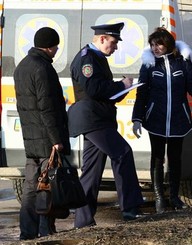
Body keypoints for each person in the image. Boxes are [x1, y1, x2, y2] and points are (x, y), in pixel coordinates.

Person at [68, 22, 144, 228]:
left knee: (92, 170)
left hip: (97, 118)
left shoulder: (97, 58)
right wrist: (122, 85)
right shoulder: (87, 58)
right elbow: (93, 89)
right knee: (122, 152)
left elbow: (103, 91)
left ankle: (83, 221)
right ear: (102, 39)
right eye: (113, 42)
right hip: (93, 119)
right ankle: (130, 208)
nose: (116, 47)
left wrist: (122, 89)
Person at [132, 27, 192, 213]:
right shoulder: (149, 64)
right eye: (152, 45)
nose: (155, 48)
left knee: (176, 158)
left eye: (159, 44)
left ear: (168, 44)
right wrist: (137, 118)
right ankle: (159, 198)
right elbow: (141, 92)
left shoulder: (182, 61)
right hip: (156, 119)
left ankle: (175, 197)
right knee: (157, 157)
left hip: (179, 118)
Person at [14, 27, 71, 240]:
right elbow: (46, 108)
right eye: (56, 47)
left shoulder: (22, 67)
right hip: (46, 138)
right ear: (49, 46)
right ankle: (46, 229)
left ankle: (27, 232)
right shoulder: (43, 68)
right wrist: (56, 140)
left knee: (31, 187)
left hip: (30, 138)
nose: (57, 51)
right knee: (48, 186)